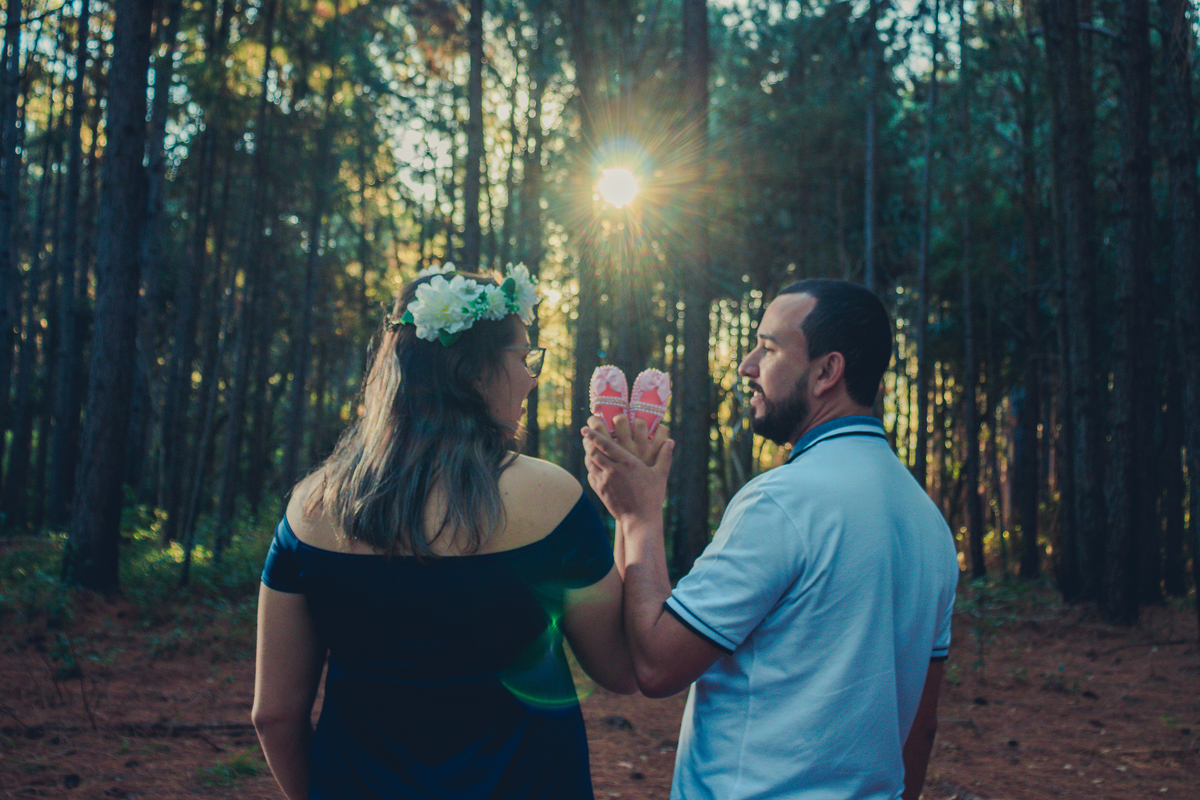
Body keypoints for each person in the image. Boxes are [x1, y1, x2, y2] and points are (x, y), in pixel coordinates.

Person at [253, 264, 638, 800]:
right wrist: (636, 516)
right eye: (524, 357)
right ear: (473, 370)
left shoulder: (311, 508)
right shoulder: (549, 498)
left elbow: (273, 715)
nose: (532, 377)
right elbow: (621, 667)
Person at [583, 278, 960, 800]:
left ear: (828, 371)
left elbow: (655, 665)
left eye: (770, 347)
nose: (747, 364)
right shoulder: (930, 525)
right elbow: (922, 726)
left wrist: (637, 515)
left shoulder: (783, 501)